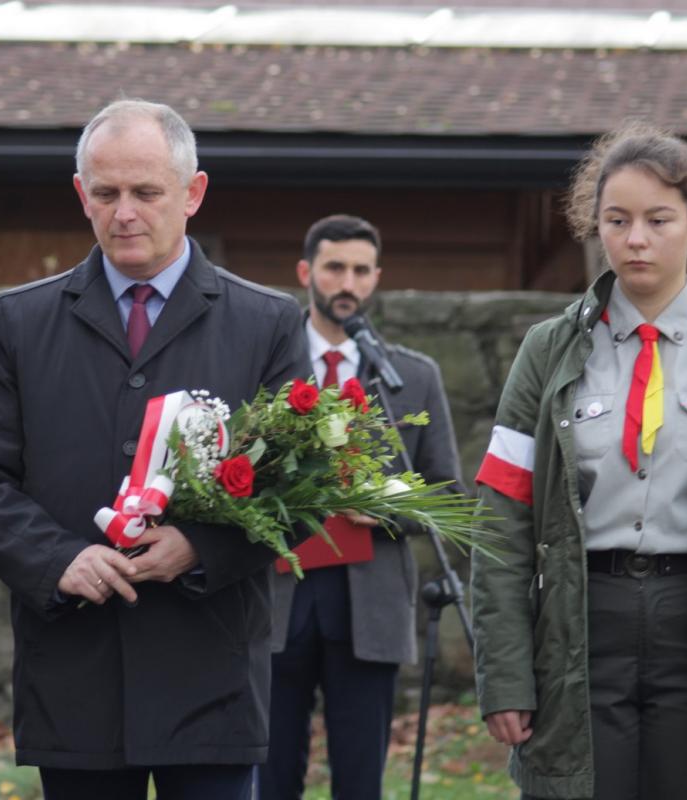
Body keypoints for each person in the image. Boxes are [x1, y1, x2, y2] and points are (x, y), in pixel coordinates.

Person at [0, 99, 307, 800]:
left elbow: (299, 488)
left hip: (210, 674)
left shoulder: (268, 322)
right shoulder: (21, 320)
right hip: (75, 673)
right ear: (82, 195)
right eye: (106, 194)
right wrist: (58, 558)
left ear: (193, 193)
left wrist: (200, 548)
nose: (125, 213)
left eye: (146, 192)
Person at [471, 123, 687, 800]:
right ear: (594, 226)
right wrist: (504, 675)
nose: (636, 239)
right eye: (617, 220)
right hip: (578, 625)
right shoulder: (546, 350)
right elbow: (500, 521)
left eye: (658, 220)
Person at [258, 214, 463, 800]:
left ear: (375, 278)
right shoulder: (266, 366)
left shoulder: (411, 378)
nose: (347, 283)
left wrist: (389, 509)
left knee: (360, 780)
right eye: (334, 268)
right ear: (306, 273)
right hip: (278, 598)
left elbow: (446, 491)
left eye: (360, 270)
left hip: (367, 602)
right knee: (270, 777)